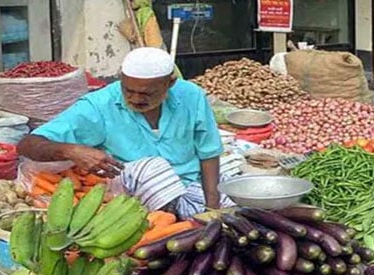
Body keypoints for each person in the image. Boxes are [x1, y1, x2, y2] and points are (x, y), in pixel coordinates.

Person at [17, 47, 233, 218]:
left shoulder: (191, 96)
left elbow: (209, 152)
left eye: (148, 93)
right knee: (155, 168)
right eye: (129, 90)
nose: (137, 99)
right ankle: (169, 221)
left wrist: (211, 208)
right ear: (121, 79)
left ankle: (186, 215)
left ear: (170, 83)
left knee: (244, 198)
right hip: (133, 187)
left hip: (189, 182)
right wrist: (71, 150)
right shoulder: (98, 105)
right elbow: (27, 144)